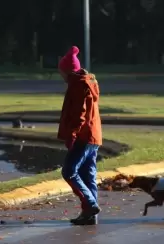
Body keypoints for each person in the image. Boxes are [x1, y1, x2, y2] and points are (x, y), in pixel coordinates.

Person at [57, 46, 102, 225]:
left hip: (83, 136)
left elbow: (79, 114)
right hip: (94, 135)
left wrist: (73, 134)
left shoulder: (78, 85)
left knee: (69, 172)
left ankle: (90, 205)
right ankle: (90, 215)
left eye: (61, 71)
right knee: (87, 175)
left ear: (66, 71)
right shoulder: (87, 82)